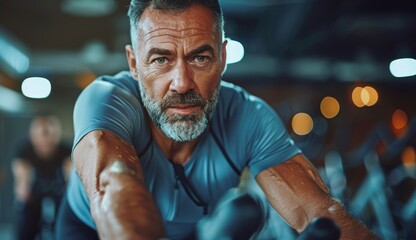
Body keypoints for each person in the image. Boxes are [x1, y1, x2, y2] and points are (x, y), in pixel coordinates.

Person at [55, 0, 379, 239]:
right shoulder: (108, 101)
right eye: (161, 59)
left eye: (200, 57)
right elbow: (116, 188)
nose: (182, 83)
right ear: (134, 63)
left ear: (222, 59)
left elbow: (320, 212)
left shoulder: (248, 116)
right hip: (92, 230)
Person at [11, 115, 72, 240]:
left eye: (49, 133)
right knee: (26, 219)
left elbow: (70, 177)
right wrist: (23, 187)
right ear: (32, 135)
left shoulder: (67, 149)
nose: (45, 139)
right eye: (41, 134)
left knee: (65, 220)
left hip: (59, 191)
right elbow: (21, 179)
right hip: (34, 192)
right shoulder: (23, 150)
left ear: (57, 134)